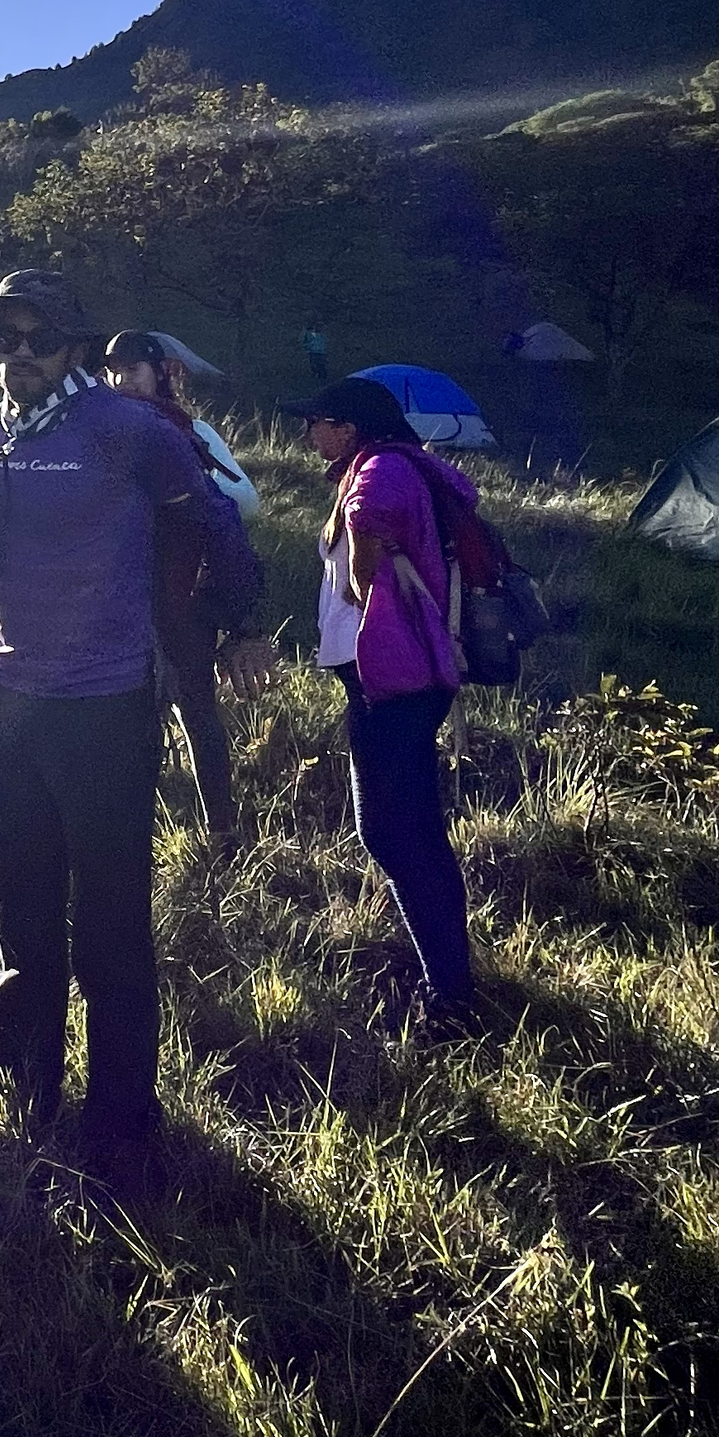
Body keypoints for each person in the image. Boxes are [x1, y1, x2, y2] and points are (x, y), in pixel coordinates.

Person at [0, 270, 264, 1194]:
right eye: (2, 340)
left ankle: (119, 1118)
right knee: (18, 896)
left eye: (36, 338)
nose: (15, 354)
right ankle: (26, 1077)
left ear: (71, 343)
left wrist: (243, 625)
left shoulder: (125, 428)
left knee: (109, 918)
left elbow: (217, 518)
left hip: (105, 704)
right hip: (4, 695)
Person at [288, 376, 479, 1032]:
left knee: (394, 833)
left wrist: (363, 597)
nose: (308, 434)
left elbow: (367, 543)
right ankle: (450, 982)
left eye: (315, 420)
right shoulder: (400, 464)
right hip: (403, 678)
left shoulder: (379, 470)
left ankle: (449, 996)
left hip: (390, 679)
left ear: (348, 426)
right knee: (415, 830)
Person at [103, 331, 262, 848]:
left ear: (159, 375)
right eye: (114, 372)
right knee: (137, 719)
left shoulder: (186, 432)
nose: (121, 380)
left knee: (194, 710)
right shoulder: (101, 430)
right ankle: (136, 835)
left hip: (180, 599)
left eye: (132, 370)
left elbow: (242, 504)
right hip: (122, 600)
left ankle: (221, 830)